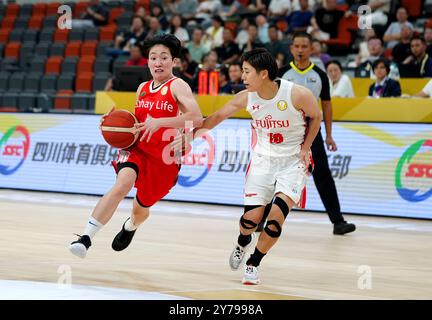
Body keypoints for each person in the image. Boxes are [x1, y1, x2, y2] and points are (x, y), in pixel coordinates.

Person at [173, 48, 322, 285]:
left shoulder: (297, 94)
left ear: (263, 74)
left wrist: (306, 148)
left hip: (293, 162)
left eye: (246, 71)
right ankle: (243, 242)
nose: (242, 77)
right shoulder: (246, 97)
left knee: (274, 220)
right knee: (249, 221)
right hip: (263, 160)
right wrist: (191, 137)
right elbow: (217, 117)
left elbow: (317, 116)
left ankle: (254, 262)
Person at [69, 34, 203, 258]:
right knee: (122, 184)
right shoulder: (143, 88)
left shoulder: (178, 85)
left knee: (140, 210)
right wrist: (112, 125)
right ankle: (85, 238)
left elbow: (196, 117)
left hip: (164, 159)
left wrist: (164, 124)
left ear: (173, 62)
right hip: (137, 150)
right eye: (153, 58)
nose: (158, 62)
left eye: (164, 57)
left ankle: (130, 226)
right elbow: (136, 122)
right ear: (148, 62)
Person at [278, 31, 356, 235]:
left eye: (305, 46)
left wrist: (329, 135)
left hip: (312, 133)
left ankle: (338, 221)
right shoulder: (283, 73)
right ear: (291, 48)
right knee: (275, 173)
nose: (301, 50)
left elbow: (327, 107)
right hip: (287, 134)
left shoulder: (320, 75)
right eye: (297, 46)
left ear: (312, 49)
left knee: (323, 175)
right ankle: (261, 220)